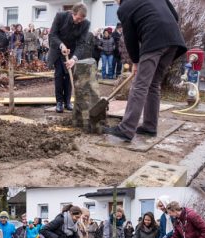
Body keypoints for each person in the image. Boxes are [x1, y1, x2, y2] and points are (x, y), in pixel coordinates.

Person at [103, 0, 187, 142]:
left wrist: (135, 61)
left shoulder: (124, 7)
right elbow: (175, 16)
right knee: (154, 84)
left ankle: (126, 128)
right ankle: (150, 126)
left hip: (154, 41)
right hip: (174, 40)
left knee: (140, 84)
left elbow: (130, 38)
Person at [47, 3, 90, 113]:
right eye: (78, 18)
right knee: (59, 75)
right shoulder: (60, 16)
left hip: (71, 52)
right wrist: (61, 45)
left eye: (82, 19)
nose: (79, 21)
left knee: (69, 75)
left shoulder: (85, 24)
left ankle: (68, 102)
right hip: (57, 50)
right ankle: (59, 102)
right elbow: (52, 35)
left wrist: (73, 59)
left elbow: (82, 43)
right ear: (72, 13)